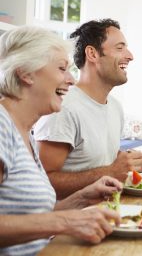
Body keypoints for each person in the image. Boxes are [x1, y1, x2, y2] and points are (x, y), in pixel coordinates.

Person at [0, 26, 121, 255]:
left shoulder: (25, 132)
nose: (71, 80)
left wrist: (80, 199)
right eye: (62, 69)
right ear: (26, 73)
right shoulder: (1, 126)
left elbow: (29, 218)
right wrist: (65, 222)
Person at [34, 19, 142, 199]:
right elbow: (44, 181)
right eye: (120, 48)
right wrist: (111, 171)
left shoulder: (115, 107)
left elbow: (101, 160)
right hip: (71, 221)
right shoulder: (63, 107)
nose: (130, 55)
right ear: (92, 53)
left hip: (108, 214)